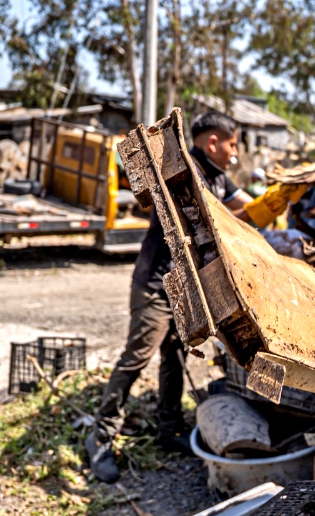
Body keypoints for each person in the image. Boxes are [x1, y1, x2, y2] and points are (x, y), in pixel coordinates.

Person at [85, 112, 252, 483]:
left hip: (183, 286)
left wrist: (277, 199)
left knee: (175, 355)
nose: (235, 152)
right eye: (232, 144)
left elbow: (245, 205)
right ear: (213, 142)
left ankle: (169, 427)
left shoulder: (218, 175)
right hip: (155, 283)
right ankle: (100, 435)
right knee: (138, 356)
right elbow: (215, 215)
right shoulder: (183, 169)